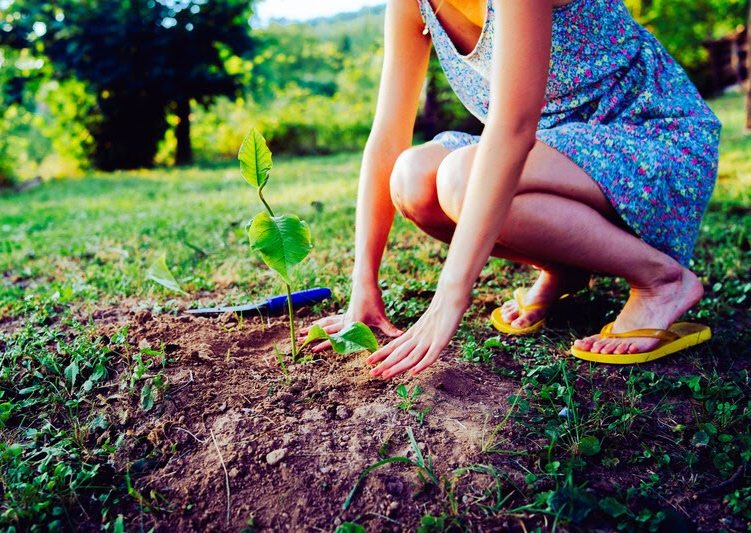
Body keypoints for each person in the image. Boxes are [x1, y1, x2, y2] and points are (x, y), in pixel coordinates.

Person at [300, 0, 720, 377]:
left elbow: (513, 130)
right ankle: (565, 268)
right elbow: (389, 135)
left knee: (462, 179)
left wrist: (450, 297)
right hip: (558, 151)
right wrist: (364, 285)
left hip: (652, 140)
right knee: (413, 178)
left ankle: (661, 280)